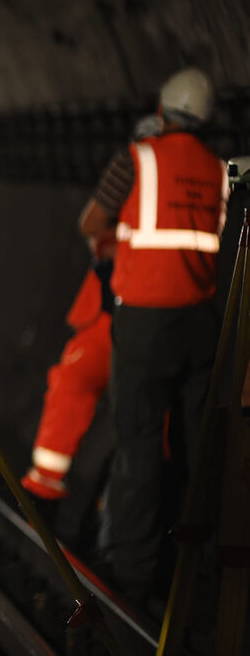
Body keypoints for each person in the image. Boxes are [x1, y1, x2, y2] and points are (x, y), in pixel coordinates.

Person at [78, 67, 229, 607]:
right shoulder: (217, 169)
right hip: (202, 327)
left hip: (144, 325)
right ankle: (198, 570)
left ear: (162, 113)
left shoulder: (137, 158)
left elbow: (91, 222)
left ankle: (137, 575)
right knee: (196, 450)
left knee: (139, 448)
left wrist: (124, 249)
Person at [21, 115, 162, 545]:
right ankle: (118, 524)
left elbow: (89, 224)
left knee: (74, 388)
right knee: (147, 420)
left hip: (117, 312)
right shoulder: (203, 173)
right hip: (163, 320)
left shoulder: (131, 166)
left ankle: (48, 499)